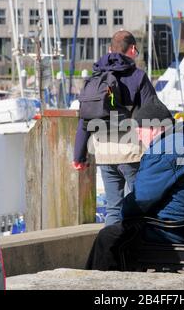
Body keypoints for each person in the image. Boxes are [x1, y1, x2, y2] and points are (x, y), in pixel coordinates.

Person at [86, 101, 184, 271]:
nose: (137, 137)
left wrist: (124, 212)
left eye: (139, 130)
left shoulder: (164, 151)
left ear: (154, 127)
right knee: (122, 233)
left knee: (109, 237)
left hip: (175, 232)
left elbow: (141, 201)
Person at [73, 30, 161, 226]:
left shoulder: (94, 78)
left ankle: (110, 252)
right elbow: (153, 114)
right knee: (139, 205)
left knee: (113, 208)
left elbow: (84, 120)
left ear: (110, 50)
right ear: (132, 50)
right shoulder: (138, 77)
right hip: (131, 153)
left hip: (104, 153)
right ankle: (136, 253)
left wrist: (78, 156)